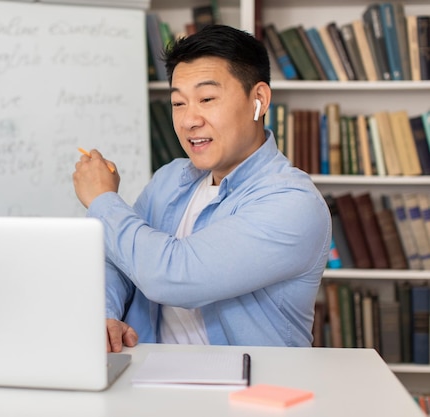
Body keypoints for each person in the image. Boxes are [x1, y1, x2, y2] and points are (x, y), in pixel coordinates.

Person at [72, 24, 331, 353]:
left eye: (207, 99)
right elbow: (118, 259)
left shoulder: (293, 203)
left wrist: (103, 200)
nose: (188, 120)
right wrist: (105, 315)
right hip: (149, 377)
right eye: (178, 103)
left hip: (249, 393)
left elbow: (174, 275)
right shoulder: (170, 178)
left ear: (259, 100)